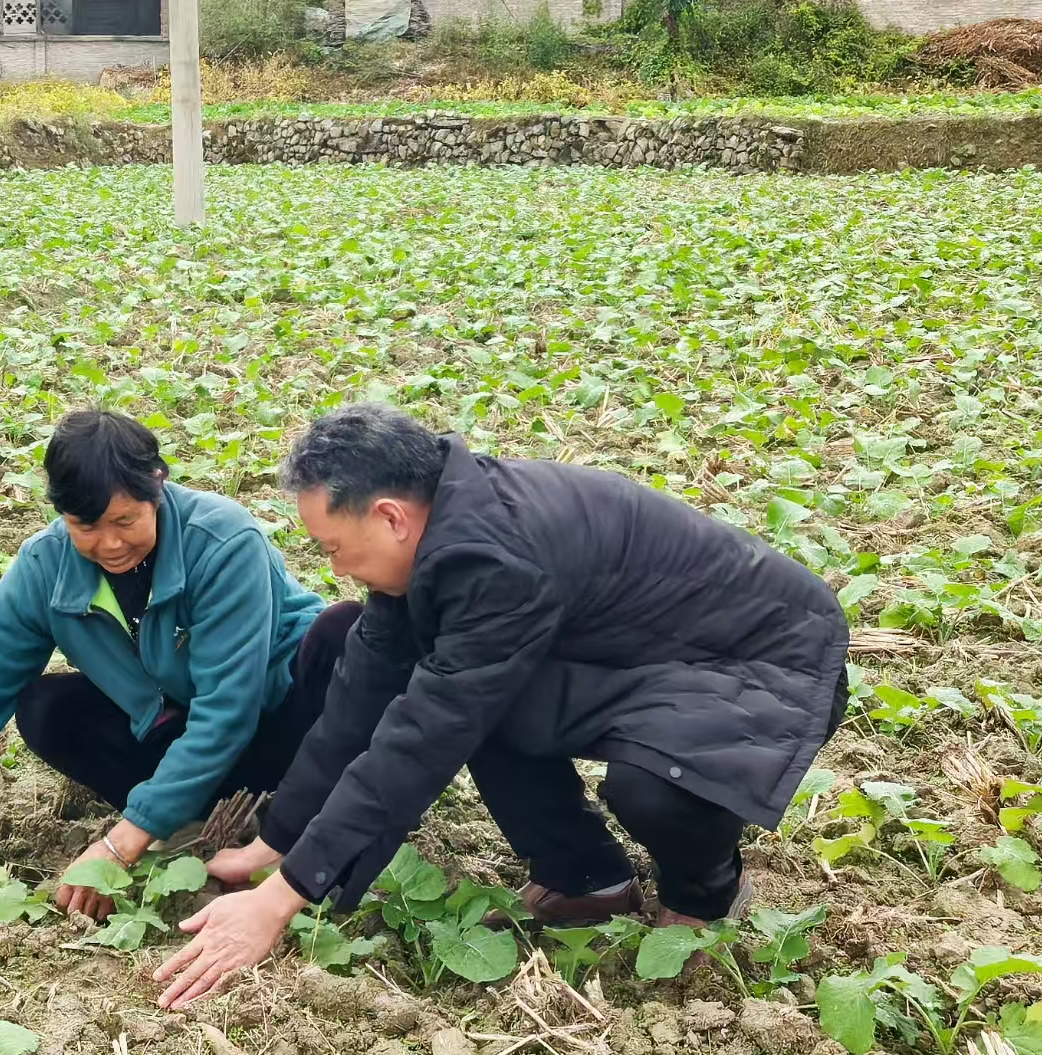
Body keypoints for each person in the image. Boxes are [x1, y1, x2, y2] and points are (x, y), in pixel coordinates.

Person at [153, 404, 850, 1009]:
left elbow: (422, 736)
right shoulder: (435, 535)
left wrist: (280, 902)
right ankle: (587, 878)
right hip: (645, 654)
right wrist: (277, 839)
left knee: (654, 786)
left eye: (335, 547)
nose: (334, 568)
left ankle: (706, 893)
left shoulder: (491, 555)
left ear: (390, 516)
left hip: (765, 658)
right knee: (476, 698)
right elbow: (358, 701)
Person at [0, 409, 363, 917]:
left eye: (125, 521)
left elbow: (228, 711)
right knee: (47, 707)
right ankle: (192, 823)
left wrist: (116, 846)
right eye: (85, 526)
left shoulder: (221, 541)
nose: (109, 543)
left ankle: (307, 831)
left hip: (279, 726)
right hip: (177, 727)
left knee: (344, 637)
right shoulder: (45, 567)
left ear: (158, 488)